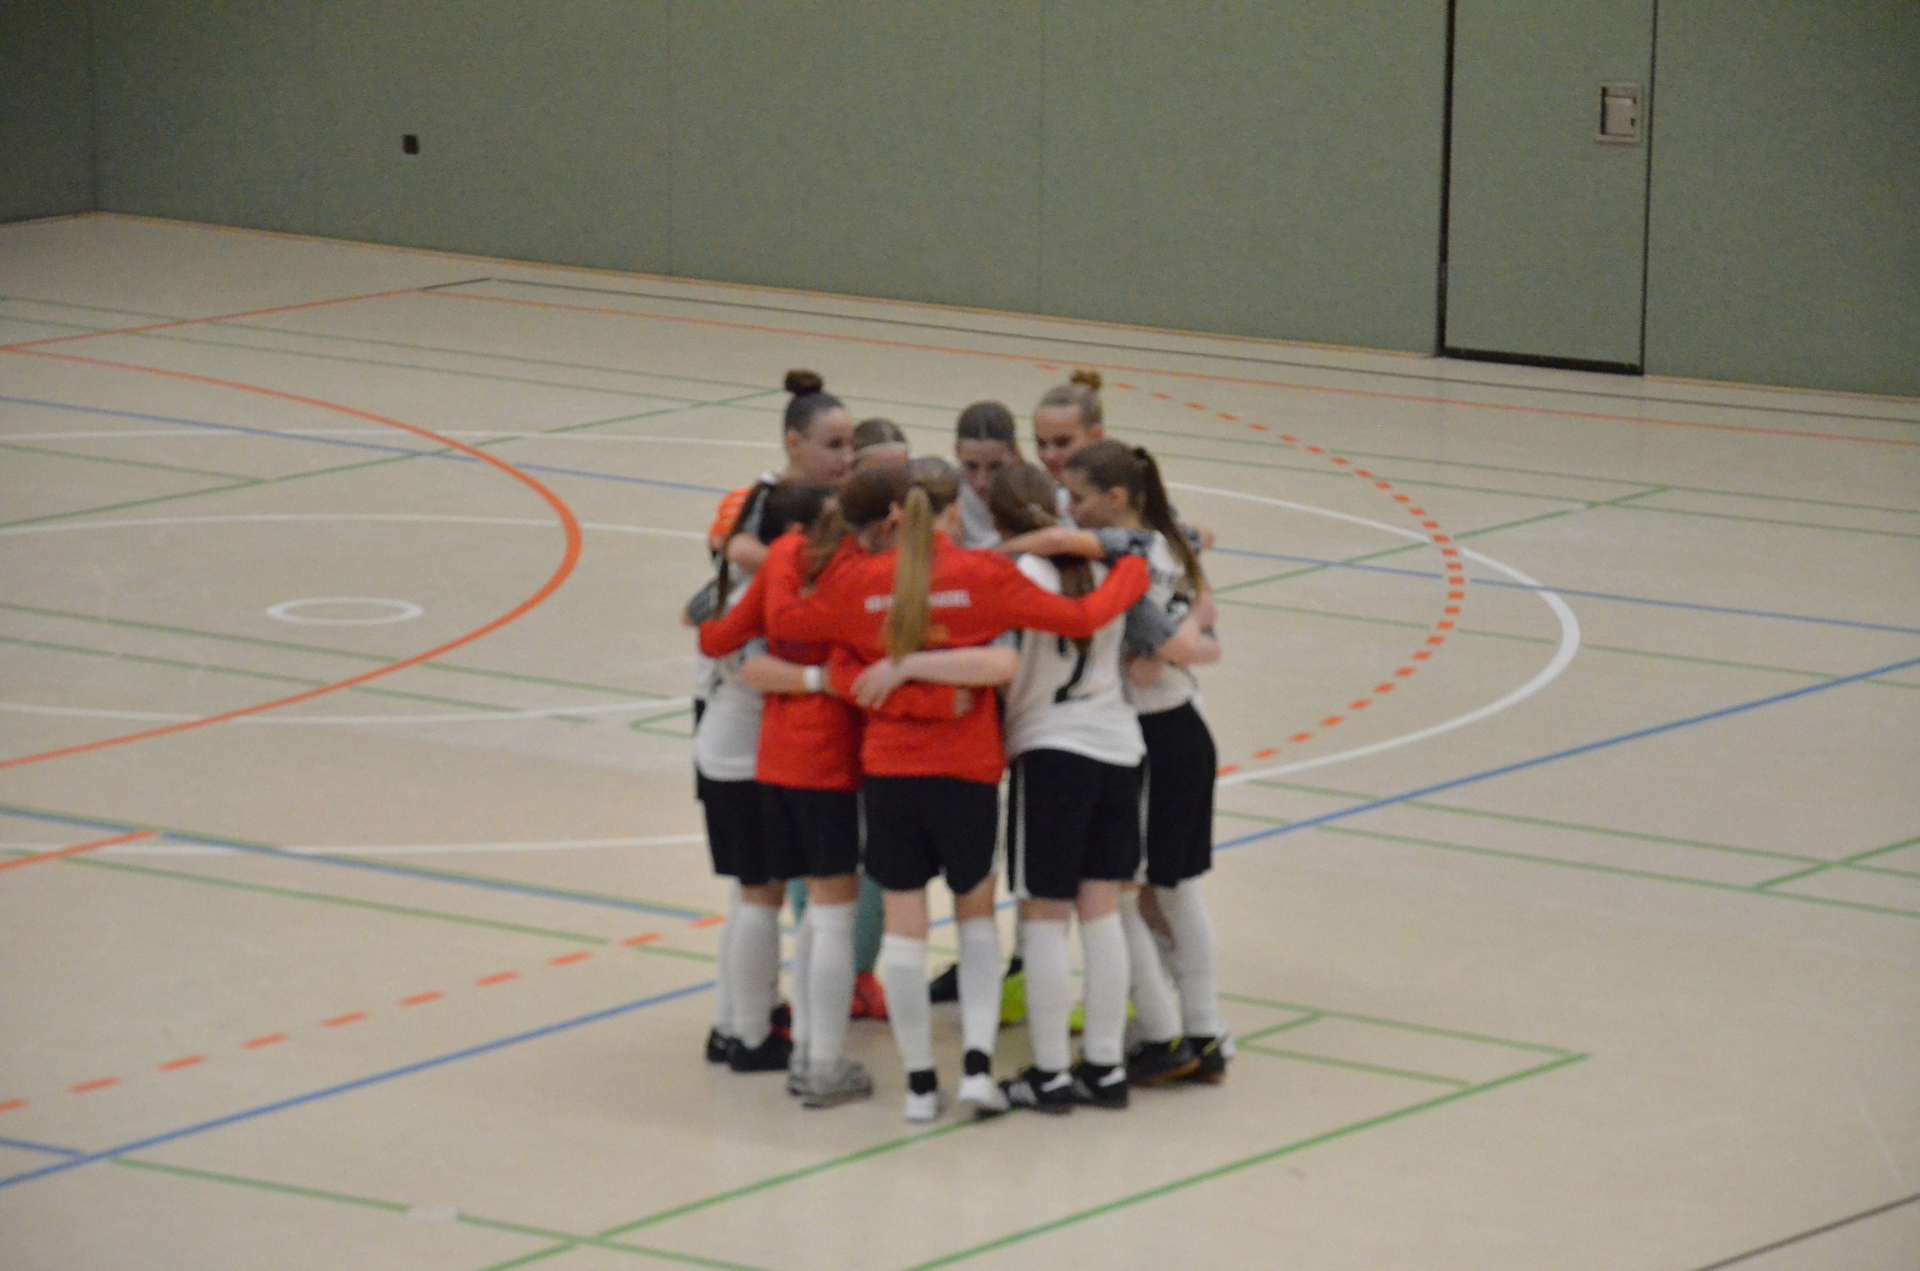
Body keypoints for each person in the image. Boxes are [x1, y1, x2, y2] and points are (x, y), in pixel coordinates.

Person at [769, 461, 1153, 1121]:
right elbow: (1080, 617)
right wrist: (1136, 569)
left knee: (906, 926)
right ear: (953, 512)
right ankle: (977, 1071)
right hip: (969, 768)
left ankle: (921, 1085)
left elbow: (802, 634)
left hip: (890, 769)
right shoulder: (983, 575)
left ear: (894, 515)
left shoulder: (855, 582)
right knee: (976, 918)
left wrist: (784, 555)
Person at [985, 464, 1182, 1113]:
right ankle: (1104, 1067)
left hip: (1052, 749)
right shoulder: (1109, 565)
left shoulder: (1016, 573)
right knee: (1101, 912)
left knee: (1043, 915)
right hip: (1119, 747)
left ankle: (1048, 1072)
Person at [1060, 440, 1233, 1084]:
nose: (1071, 508)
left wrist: (1166, 650)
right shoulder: (1171, 545)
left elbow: (1192, 635)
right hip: (1185, 729)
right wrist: (1180, 649)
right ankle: (1205, 1033)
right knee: (1176, 892)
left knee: (1123, 895)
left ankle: (1166, 1035)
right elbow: (1208, 624)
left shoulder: (1129, 562)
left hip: (1156, 738)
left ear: (1115, 499)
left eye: (1080, 498)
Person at [694, 481, 839, 1075]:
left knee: (749, 893)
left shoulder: (742, 583)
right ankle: (753, 1037)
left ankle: (730, 1023)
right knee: (761, 895)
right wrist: (823, 681)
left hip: (725, 748)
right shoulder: (762, 591)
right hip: (744, 756)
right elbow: (755, 667)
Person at [953, 401, 1022, 548]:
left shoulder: (1035, 492)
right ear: (957, 452)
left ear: (1014, 455)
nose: (982, 483)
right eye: (971, 466)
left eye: (995, 467)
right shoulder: (944, 499)